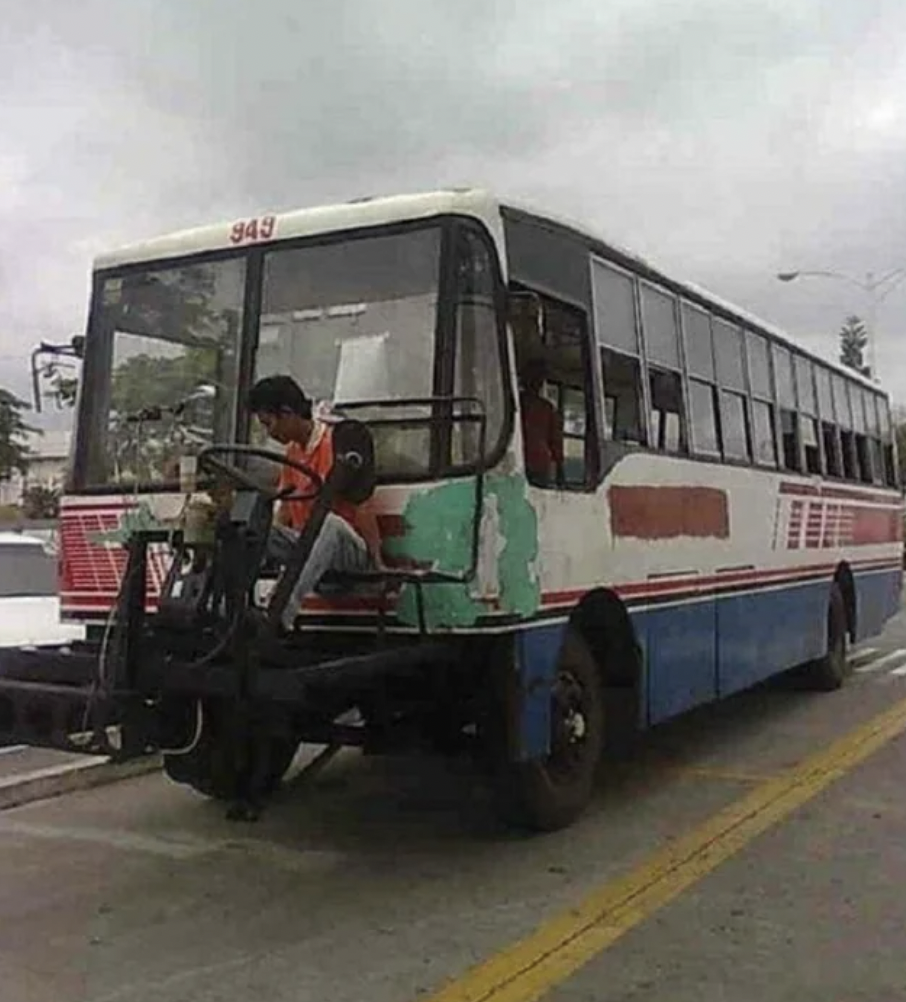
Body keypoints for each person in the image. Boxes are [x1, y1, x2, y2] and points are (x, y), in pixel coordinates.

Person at [247, 375, 380, 632]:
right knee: (252, 528)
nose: (269, 433)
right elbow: (284, 511)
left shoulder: (338, 442)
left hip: (348, 551)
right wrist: (266, 539)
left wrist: (377, 561)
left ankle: (280, 612)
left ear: (287, 413)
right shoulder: (292, 455)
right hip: (307, 549)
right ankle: (231, 610)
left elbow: (363, 503)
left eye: (269, 423)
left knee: (327, 523)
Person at [519, 357, 565, 488]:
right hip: (534, 461)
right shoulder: (546, 407)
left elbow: (555, 440)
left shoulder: (545, 408)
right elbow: (556, 441)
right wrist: (560, 472)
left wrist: (560, 470)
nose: (537, 383)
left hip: (530, 461)